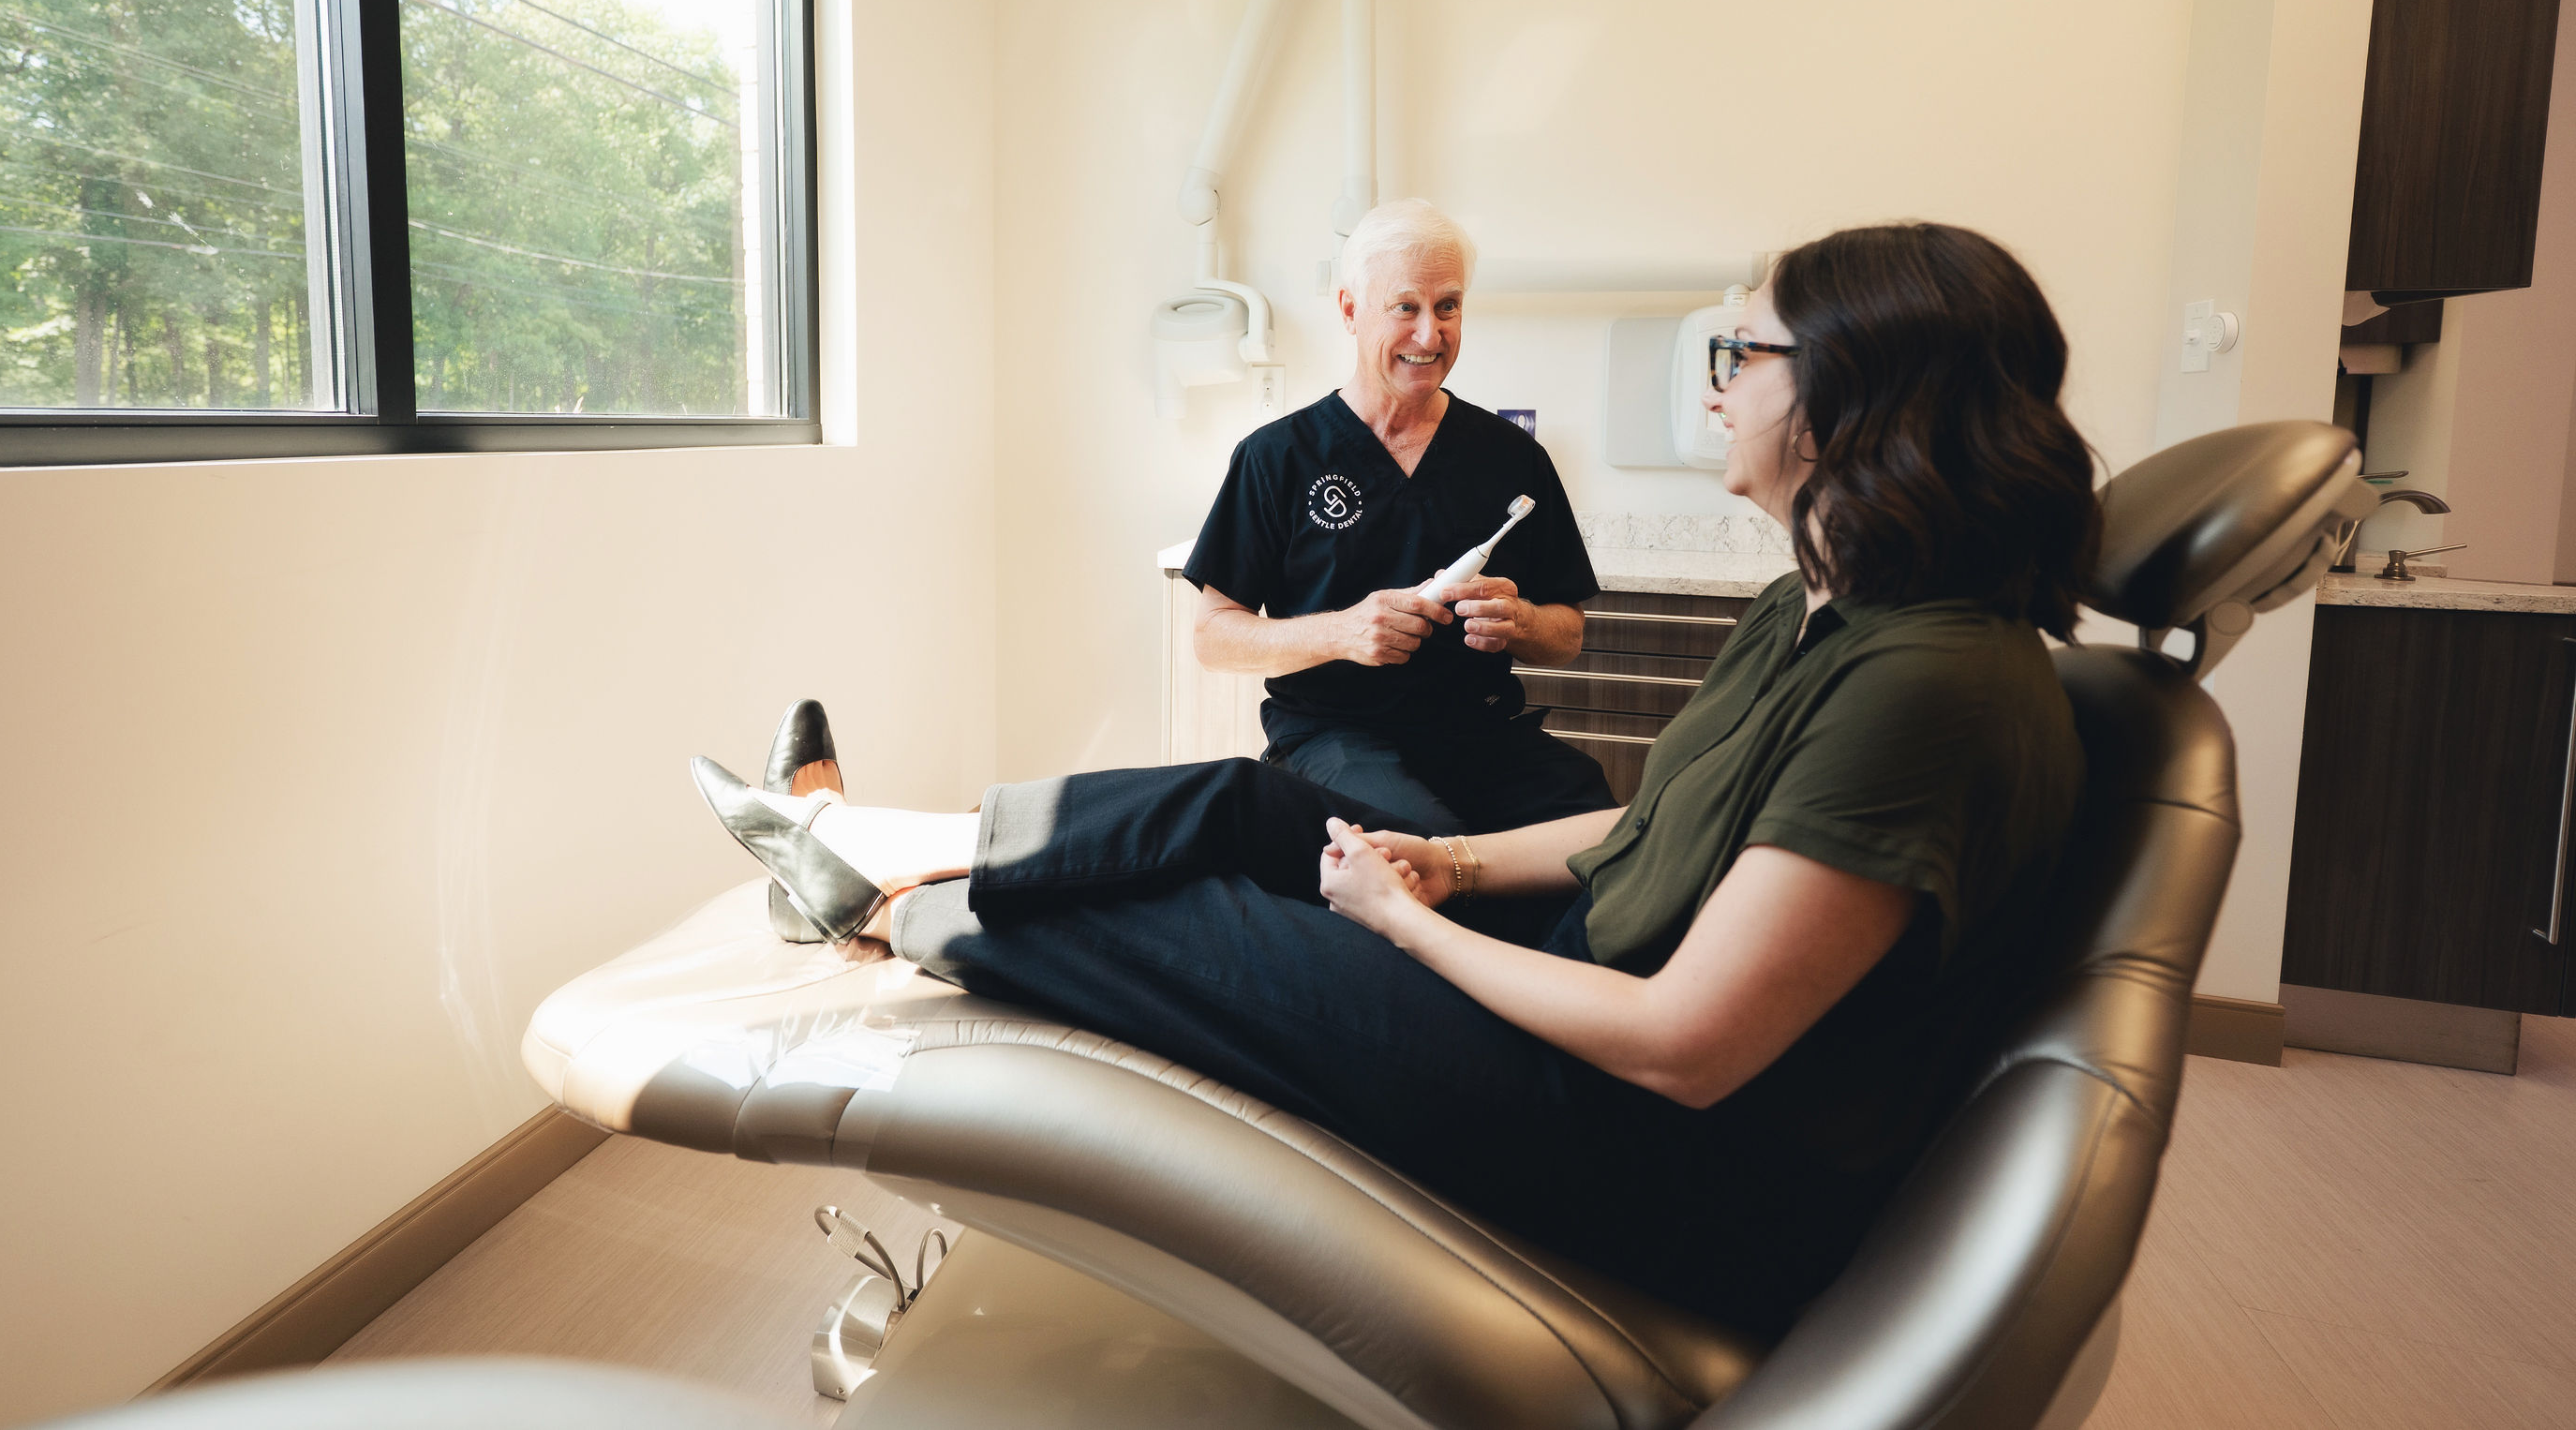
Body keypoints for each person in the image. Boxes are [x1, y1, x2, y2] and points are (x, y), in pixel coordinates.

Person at [696, 222, 2099, 1334]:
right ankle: (860, 843)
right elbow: (1665, 820)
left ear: (1860, 394)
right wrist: (1462, 868)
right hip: (1539, 934)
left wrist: (1403, 920)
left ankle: (863, 900)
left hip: (1630, 1138)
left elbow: (1685, 1045)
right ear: (1354, 313)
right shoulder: (1827, 615)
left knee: (1197, 928)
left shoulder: (1928, 687)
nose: (1719, 383)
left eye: (1745, 348)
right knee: (1246, 808)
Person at [1184, 197, 1616, 840]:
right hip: (1335, 739)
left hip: (1482, 736)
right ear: (1350, 310)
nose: (1429, 335)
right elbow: (1214, 637)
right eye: (1405, 307)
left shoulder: (1512, 458)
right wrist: (1343, 634)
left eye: (1448, 307)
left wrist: (1520, 621)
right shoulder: (1278, 458)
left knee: (1599, 837)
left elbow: (1568, 635)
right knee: (1422, 843)